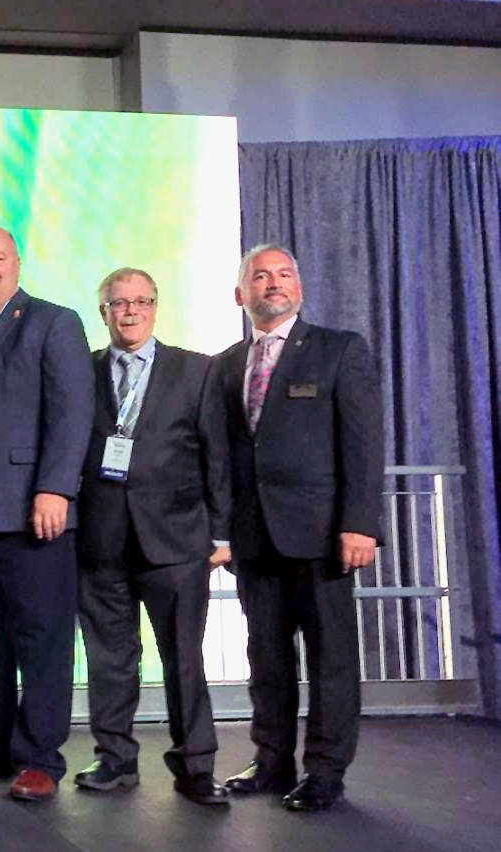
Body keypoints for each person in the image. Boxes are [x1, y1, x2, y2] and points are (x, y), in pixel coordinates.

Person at [214, 244, 384, 812]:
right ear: (241, 294)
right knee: (266, 656)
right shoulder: (226, 364)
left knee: (331, 657)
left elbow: (362, 444)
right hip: (254, 538)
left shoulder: (339, 350)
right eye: (259, 277)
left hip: (323, 537)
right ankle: (271, 761)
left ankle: (326, 773)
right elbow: (222, 456)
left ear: (300, 288)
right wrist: (220, 532)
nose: (273, 284)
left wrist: (359, 524)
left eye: (284, 275)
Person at [72, 267, 232, 807]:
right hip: (100, 542)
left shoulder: (196, 371)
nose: (131, 312)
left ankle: (196, 767)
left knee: (184, 658)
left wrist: (223, 532)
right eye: (119, 304)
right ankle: (114, 760)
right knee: (109, 659)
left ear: (156, 308)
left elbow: (218, 457)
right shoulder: (82, 371)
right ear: (105, 313)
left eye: (141, 302)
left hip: (177, 542)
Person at [0, 226, 94, 801]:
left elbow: (73, 410)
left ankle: (39, 756)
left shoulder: (53, 321)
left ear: (16, 264)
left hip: (32, 510)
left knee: (41, 640)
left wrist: (56, 488)